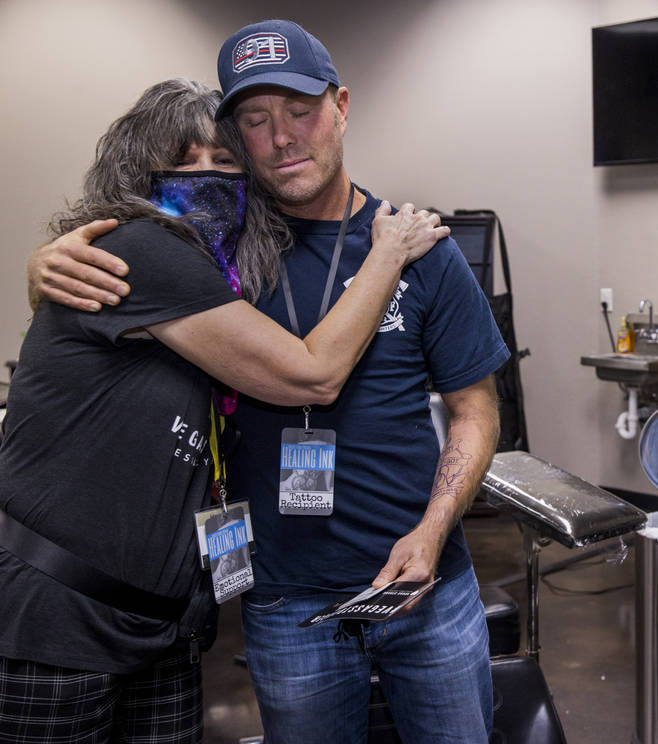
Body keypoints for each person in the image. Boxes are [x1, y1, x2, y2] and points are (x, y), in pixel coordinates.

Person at [28, 20, 510, 743]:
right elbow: (126, 271)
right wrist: (45, 267)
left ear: (341, 106)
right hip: (285, 600)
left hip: (426, 589)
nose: (282, 138)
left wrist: (433, 532)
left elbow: (476, 414)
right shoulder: (214, 253)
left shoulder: (422, 249)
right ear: (237, 137)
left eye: (301, 111)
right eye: (255, 120)